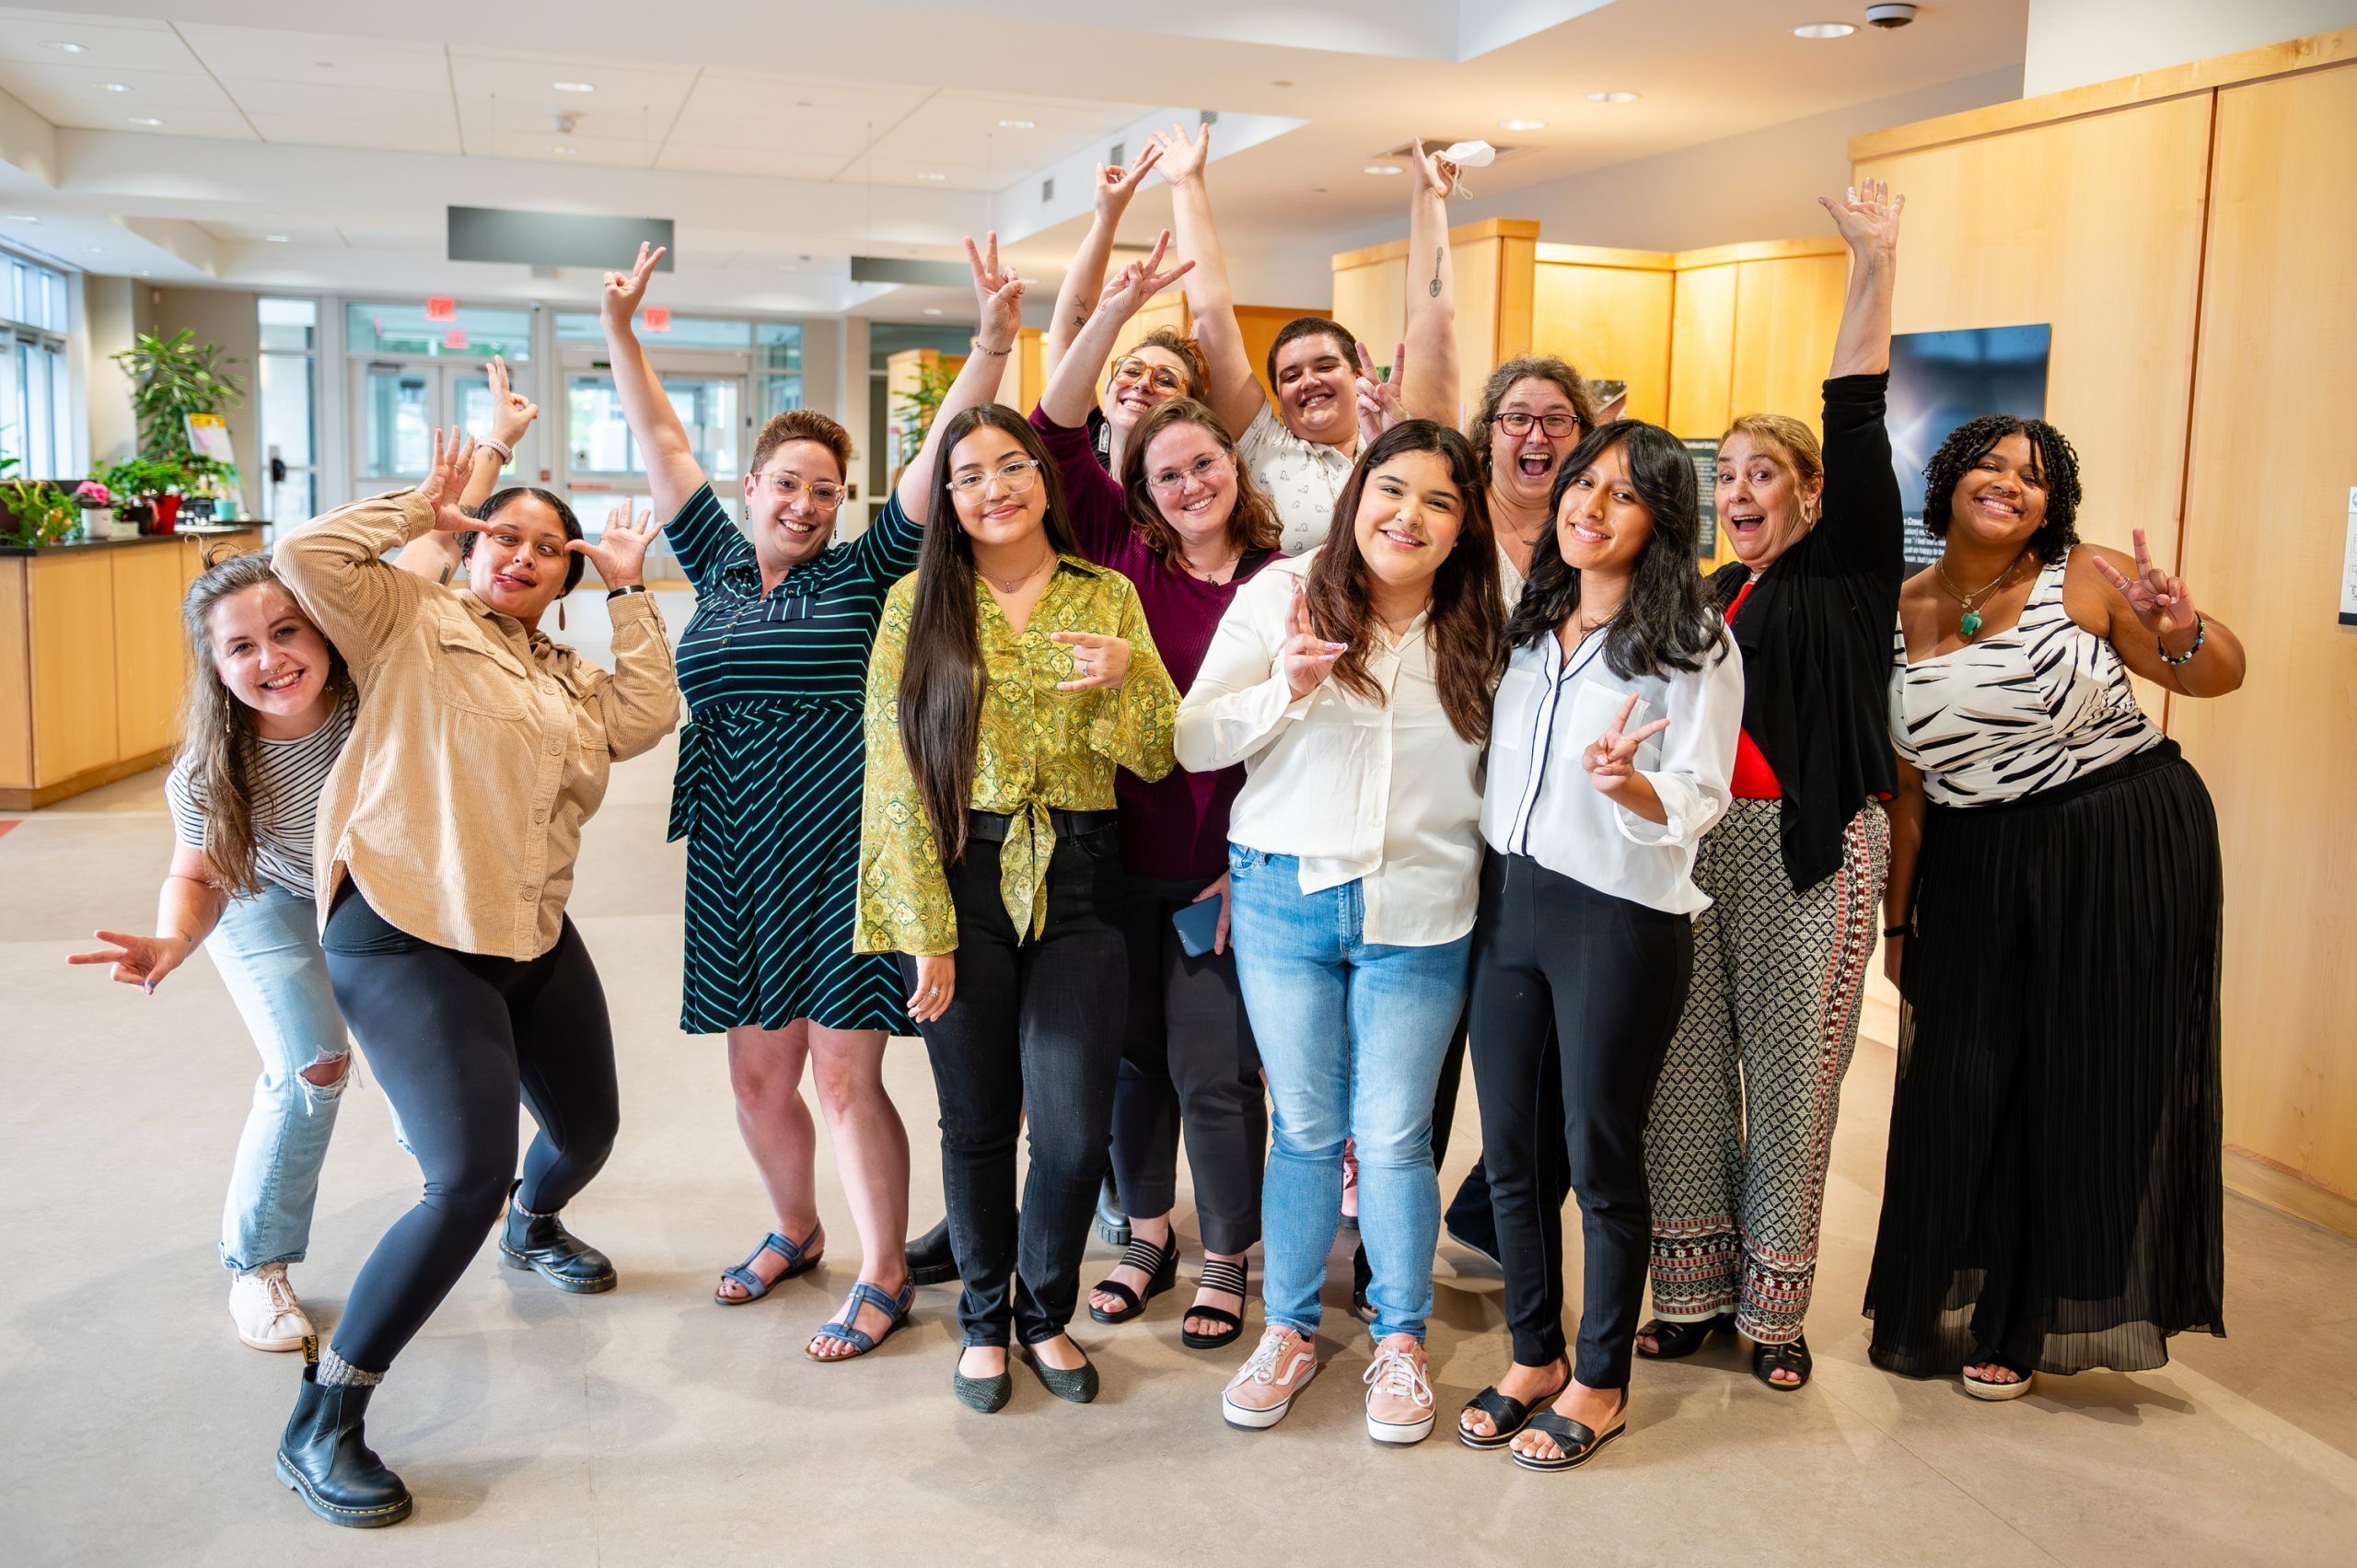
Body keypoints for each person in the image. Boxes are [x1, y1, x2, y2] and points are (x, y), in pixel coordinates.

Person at [600, 238, 1018, 1360]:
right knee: (756, 1067)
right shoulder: (718, 561)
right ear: (753, 488)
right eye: (786, 483)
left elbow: (936, 455)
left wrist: (986, 349)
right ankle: (795, 1227)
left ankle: (883, 1270)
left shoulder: (870, 565)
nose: (804, 501)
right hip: (737, 846)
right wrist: (621, 336)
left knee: (844, 1068)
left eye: (824, 489)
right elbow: (660, 437)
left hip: (844, 848)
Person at [266, 428, 678, 1527]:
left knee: (586, 1131)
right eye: (509, 534)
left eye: (552, 549)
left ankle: (536, 1223)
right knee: (464, 1174)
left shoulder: (570, 676)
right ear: (475, 542)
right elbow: (305, 555)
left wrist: (632, 597)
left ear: (565, 577)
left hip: (526, 926)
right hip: (403, 923)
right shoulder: (406, 618)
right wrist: (424, 509)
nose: (527, 554)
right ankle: (326, 1412)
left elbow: (646, 716)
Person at [1868, 415, 2243, 1400]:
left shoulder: (2088, 574)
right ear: (1949, 478)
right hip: (1975, 855)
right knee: (1964, 1078)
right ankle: (1950, 1293)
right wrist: (1899, 925)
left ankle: (2024, 1316)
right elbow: (1908, 799)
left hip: (2116, 833)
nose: (2009, 485)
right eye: (1990, 465)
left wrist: (2179, 630)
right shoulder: (1893, 609)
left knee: (2077, 1077)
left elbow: (2212, 674)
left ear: (2051, 501)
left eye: (2032, 477)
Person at [1177, 419, 1503, 1446]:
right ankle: (1289, 1331)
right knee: (1309, 1129)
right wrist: (1290, 686)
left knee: (1398, 1134)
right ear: (1357, 494)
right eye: (1391, 490)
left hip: (1424, 904)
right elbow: (1191, 735)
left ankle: (1400, 1338)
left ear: (1461, 528)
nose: (1408, 515)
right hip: (1285, 892)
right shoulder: (1282, 593)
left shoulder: (1486, 622)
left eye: (1438, 501)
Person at [1633, 180, 1908, 1391]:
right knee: (1684, 1075)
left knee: (1793, 1085)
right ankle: (1688, 1292)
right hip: (1691, 853)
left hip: (1810, 851)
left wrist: (1875, 261)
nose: (1741, 490)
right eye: (1725, 473)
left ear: (1808, 489)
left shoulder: (1846, 567)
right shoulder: (1701, 593)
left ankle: (1774, 1308)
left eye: (1765, 473)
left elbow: (1854, 414)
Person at [856, 403, 1179, 1412]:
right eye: (968, 475)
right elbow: (894, 771)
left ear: (1044, 477)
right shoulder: (919, 602)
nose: (993, 487)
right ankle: (986, 1320)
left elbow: (1158, 749)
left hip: (1083, 878)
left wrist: (1133, 679)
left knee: (1078, 1131)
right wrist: (924, 931)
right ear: (947, 499)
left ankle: (1048, 1309)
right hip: (962, 870)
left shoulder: (1108, 594)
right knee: (978, 1120)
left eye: (1011, 466)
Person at [1456, 420, 1741, 1471]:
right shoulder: (1529, 625)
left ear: (1662, 517)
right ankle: (1531, 1353)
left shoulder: (1693, 640)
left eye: (1620, 493)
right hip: (1509, 900)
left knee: (1598, 1147)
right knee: (1515, 1152)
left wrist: (1631, 784)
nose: (1588, 504)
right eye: (1583, 484)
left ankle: (1600, 1374)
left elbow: (1700, 790)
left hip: (1617, 911)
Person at [1034, 234, 1283, 1349]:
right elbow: (1051, 424)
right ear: (1142, 484)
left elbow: (1294, 740)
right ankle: (1146, 1230)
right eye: (1168, 471)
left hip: (1224, 869)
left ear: (1238, 470)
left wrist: (1250, 863)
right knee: (1133, 1058)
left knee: (1215, 1068)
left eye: (1206, 465)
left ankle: (1227, 1251)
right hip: (1109, 862)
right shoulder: (1115, 556)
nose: (1189, 484)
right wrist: (1117, 296)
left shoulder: (1284, 586)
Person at [67, 551, 358, 1354]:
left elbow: (430, 556)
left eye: (286, 629)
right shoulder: (208, 767)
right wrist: (172, 940)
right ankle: (257, 1266)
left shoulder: (372, 699)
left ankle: (480, 1194)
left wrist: (488, 458)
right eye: (241, 647)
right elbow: (198, 872)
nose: (272, 659)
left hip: (371, 891)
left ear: (323, 630)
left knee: (437, 1042)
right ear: (217, 667)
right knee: (313, 1064)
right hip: (262, 894)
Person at [1149, 122, 1456, 553]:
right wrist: (1186, 186)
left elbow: (1433, 323)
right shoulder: (1263, 446)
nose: (1308, 380)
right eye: (1291, 375)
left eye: (1325, 366)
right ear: (1276, 396)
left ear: (1357, 376)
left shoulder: (1405, 436)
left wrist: (1430, 200)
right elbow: (1211, 314)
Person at [1038, 141, 1207, 474]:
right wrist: (1106, 218)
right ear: (1105, 385)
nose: (1142, 385)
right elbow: (1067, 342)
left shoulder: (1195, 478)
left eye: (1166, 380)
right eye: (1131, 371)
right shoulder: (1087, 450)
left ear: (1189, 406)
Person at [390, 353, 536, 585]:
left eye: (547, 548)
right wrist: (502, 437)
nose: (524, 558)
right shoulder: (398, 606)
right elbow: (439, 543)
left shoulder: (399, 603)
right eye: (508, 539)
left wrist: (503, 436)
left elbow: (440, 542)